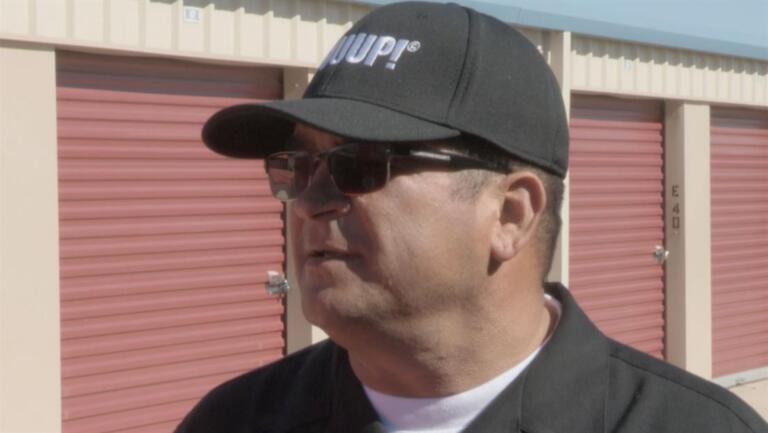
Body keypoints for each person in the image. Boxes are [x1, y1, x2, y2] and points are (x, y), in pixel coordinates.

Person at [175, 2, 768, 432]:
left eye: (361, 164)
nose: (309, 201)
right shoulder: (233, 420)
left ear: (510, 214)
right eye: (298, 167)